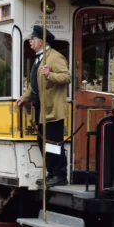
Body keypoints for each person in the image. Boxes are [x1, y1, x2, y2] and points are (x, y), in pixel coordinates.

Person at [15, 25, 70, 187]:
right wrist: (24, 97)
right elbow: (35, 85)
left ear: (40, 41)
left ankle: (60, 174)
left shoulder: (54, 57)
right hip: (41, 108)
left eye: (32, 39)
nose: (30, 42)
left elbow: (67, 77)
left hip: (52, 108)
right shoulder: (39, 58)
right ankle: (52, 172)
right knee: (43, 142)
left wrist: (50, 75)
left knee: (53, 142)